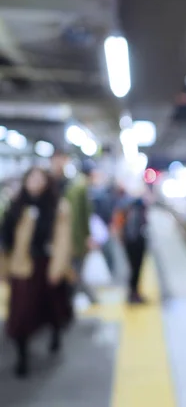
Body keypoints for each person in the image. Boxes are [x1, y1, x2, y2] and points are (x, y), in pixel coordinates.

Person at [1, 168, 73, 378]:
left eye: (38, 178)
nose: (33, 182)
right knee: (20, 313)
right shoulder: (17, 205)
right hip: (22, 266)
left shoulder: (57, 206)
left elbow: (62, 239)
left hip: (46, 265)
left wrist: (58, 267)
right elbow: (6, 239)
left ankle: (55, 334)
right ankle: (22, 355)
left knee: (52, 307)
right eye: (30, 178)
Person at [65, 159, 97, 304]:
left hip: (74, 238)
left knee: (76, 272)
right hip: (77, 240)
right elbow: (79, 217)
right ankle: (68, 302)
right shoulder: (81, 188)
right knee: (76, 272)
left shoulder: (75, 185)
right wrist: (83, 239)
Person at [113, 186, 148, 304]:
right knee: (135, 268)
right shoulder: (135, 204)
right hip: (135, 240)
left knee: (134, 268)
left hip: (131, 240)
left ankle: (134, 293)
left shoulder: (126, 204)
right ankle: (133, 294)